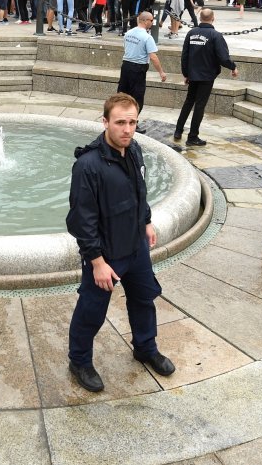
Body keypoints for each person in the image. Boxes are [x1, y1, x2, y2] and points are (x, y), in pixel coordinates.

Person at [66, 93, 176, 393]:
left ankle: (145, 347)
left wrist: (146, 221)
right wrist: (97, 262)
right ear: (105, 122)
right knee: (91, 311)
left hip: (136, 247)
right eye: (120, 123)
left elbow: (139, 190)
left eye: (132, 122)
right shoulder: (88, 166)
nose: (127, 129)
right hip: (106, 255)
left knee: (144, 299)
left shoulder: (134, 149)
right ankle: (79, 361)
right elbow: (80, 220)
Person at [174, 8, 238, 146]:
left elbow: (184, 56)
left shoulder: (191, 33)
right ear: (213, 18)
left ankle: (178, 131)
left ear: (200, 18)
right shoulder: (215, 35)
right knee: (199, 106)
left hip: (193, 75)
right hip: (207, 76)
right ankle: (192, 137)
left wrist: (186, 73)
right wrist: (233, 67)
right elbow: (223, 57)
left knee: (188, 102)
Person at [118, 11, 167, 126]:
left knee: (122, 94)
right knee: (137, 97)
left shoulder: (128, 33)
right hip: (138, 69)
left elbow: (125, 48)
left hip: (125, 66)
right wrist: (161, 72)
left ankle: (120, 119)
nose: (152, 22)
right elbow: (153, 57)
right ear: (145, 21)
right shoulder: (147, 37)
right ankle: (131, 122)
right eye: (151, 20)